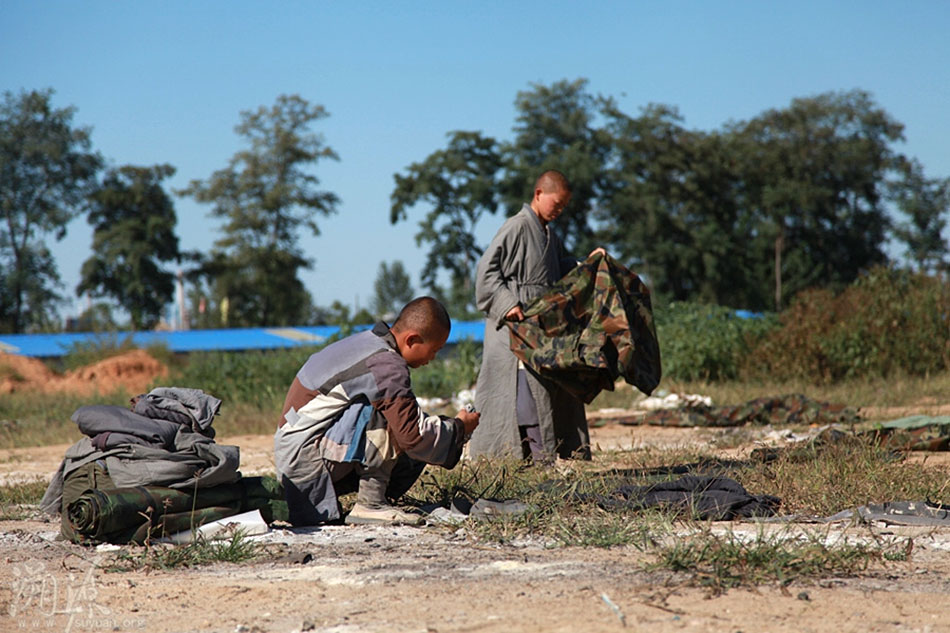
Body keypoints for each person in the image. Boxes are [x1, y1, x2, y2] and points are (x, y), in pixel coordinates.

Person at [274, 296, 480, 526]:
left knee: (401, 412)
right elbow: (413, 436)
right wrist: (459, 428)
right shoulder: (386, 365)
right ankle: (371, 503)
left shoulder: (369, 343)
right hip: (304, 460)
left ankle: (373, 498)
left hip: (295, 454)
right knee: (392, 415)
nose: (432, 359)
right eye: (434, 350)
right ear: (412, 339)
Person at [470, 170, 604, 462]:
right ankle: (525, 458)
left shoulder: (548, 234)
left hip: (540, 330)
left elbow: (556, 270)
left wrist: (587, 264)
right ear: (539, 194)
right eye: (556, 203)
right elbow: (486, 272)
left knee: (545, 391)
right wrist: (508, 304)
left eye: (563, 206)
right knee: (524, 394)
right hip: (513, 330)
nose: (559, 210)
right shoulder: (517, 226)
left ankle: (539, 458)